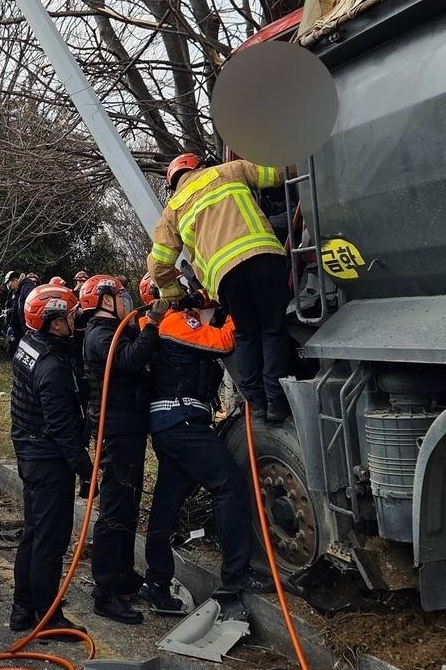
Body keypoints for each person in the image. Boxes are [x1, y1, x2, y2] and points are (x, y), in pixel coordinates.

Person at [137, 276, 270, 613]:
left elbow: (209, 316)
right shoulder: (173, 323)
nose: (188, 293)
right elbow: (224, 341)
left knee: (166, 506)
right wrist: (244, 305)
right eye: (180, 289)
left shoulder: (166, 324)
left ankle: (156, 583)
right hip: (182, 423)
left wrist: (214, 299)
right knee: (229, 486)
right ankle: (235, 575)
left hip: (172, 424)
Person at [147, 153, 292, 422]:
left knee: (247, 334)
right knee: (273, 330)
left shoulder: (173, 210)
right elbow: (277, 171)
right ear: (200, 165)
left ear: (173, 183)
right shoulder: (229, 170)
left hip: (226, 276)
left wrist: (173, 295)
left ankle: (257, 404)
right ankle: (277, 401)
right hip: (265, 258)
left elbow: (159, 265)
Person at [79, 275, 164, 625]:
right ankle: (105, 592)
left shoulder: (116, 329)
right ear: (103, 300)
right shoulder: (99, 335)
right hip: (113, 431)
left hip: (128, 426)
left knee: (128, 504)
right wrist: (153, 325)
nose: (125, 299)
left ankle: (125, 575)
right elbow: (129, 359)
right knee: (114, 509)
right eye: (118, 294)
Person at [8, 283, 92, 633]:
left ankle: (24, 609)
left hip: (29, 450)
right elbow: (62, 428)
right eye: (70, 316)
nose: (76, 320)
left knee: (34, 532)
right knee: (50, 539)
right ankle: (47, 616)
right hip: (48, 459)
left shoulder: (30, 343)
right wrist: (86, 470)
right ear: (54, 323)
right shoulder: (52, 368)